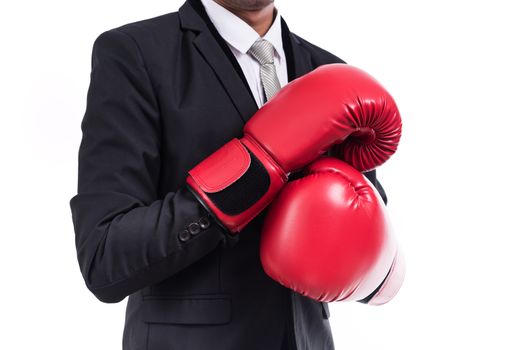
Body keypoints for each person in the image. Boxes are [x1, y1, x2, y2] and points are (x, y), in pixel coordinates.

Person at [69, 0, 392, 349]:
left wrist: (368, 257)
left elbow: (363, 246)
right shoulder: (135, 54)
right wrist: (248, 175)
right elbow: (104, 257)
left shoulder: (330, 71)